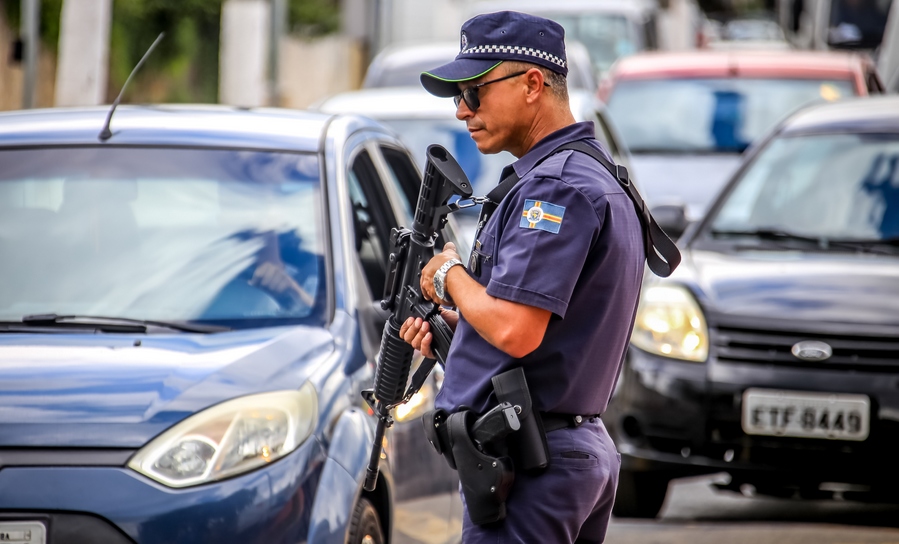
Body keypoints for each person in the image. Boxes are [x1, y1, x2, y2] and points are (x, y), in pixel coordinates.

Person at [399, 10, 647, 544]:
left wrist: (449, 276)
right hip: (560, 454)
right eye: (458, 95)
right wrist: (458, 326)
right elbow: (553, 332)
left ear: (533, 84)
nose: (462, 109)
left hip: (536, 467)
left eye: (474, 91)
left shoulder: (555, 189)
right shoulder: (588, 173)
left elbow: (516, 329)